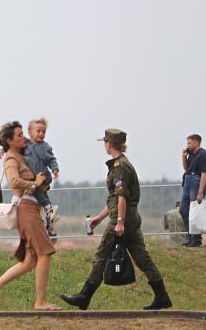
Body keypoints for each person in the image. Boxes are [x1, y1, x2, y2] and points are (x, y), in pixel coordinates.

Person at [61, 129, 172, 311]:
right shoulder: (121, 164)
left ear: (109, 144)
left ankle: (84, 296)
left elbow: (122, 198)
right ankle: (162, 296)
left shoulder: (119, 167)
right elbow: (114, 198)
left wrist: (119, 222)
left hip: (123, 218)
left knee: (101, 255)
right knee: (141, 257)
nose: (104, 145)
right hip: (129, 217)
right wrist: (99, 218)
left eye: (105, 142)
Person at [0, 121, 59, 311]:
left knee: (30, 261)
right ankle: (40, 302)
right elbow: (14, 181)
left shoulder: (22, 153)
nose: (23, 138)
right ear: (10, 141)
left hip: (32, 208)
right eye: (19, 136)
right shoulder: (11, 158)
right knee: (45, 253)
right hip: (26, 209)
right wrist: (34, 183)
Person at [24, 118, 61, 236]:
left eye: (43, 132)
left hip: (43, 177)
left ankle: (49, 212)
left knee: (39, 193)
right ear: (30, 131)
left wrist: (55, 169)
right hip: (31, 178)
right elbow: (12, 146)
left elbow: (51, 160)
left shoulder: (45, 147)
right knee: (42, 195)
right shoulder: (24, 144)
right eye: (38, 131)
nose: (41, 134)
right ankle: (50, 218)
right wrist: (3, 149)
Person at [180, 134, 206, 247]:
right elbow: (187, 169)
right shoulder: (191, 154)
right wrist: (183, 157)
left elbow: (204, 174)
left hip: (196, 181)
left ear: (196, 142)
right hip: (187, 180)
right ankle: (191, 236)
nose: (187, 145)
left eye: (189, 143)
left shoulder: (203, 154)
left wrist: (200, 192)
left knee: (194, 211)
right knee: (183, 209)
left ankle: (196, 240)